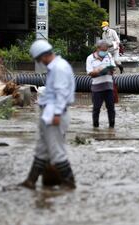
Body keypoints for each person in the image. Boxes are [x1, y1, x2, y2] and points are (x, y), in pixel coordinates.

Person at [21, 40, 76, 190]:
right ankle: (30, 181)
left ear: (44, 56)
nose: (40, 63)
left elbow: (61, 93)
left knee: (56, 149)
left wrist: (57, 113)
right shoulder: (56, 67)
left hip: (54, 113)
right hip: (49, 112)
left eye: (39, 59)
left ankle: (69, 181)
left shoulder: (58, 68)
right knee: (42, 148)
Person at [86, 40, 116, 129]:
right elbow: (90, 73)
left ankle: (112, 127)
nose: (105, 52)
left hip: (109, 87)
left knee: (111, 108)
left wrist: (110, 70)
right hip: (97, 88)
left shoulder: (109, 56)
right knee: (96, 109)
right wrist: (99, 71)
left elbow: (113, 68)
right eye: (103, 50)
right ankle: (95, 128)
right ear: (98, 49)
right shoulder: (90, 58)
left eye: (106, 50)